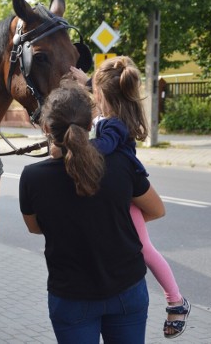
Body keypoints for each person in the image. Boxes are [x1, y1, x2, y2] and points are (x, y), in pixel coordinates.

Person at [19, 79, 166, 343]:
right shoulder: (121, 162)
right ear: (90, 125)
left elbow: (34, 227)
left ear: (45, 128)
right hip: (127, 290)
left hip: (71, 296)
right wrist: (112, 216)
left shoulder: (32, 177)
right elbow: (156, 210)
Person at [74, 57, 191, 339]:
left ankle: (176, 301)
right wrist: (85, 79)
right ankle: (175, 300)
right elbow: (103, 88)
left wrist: (78, 145)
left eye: (95, 91)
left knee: (144, 248)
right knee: (139, 243)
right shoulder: (115, 112)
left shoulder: (114, 126)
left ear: (101, 95)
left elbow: (104, 146)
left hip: (127, 191)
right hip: (123, 192)